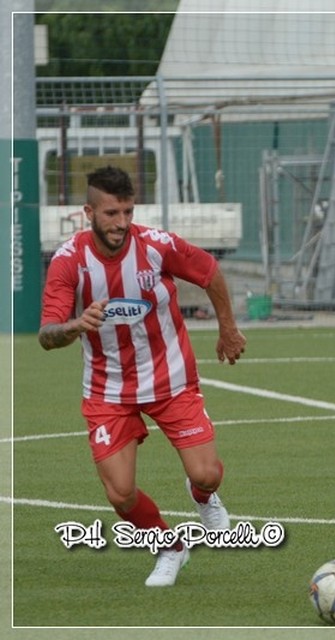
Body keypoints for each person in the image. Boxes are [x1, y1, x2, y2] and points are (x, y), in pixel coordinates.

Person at [38, 166, 247, 587]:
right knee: (120, 492)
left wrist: (228, 329)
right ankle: (170, 548)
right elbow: (47, 335)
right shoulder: (68, 261)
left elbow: (209, 271)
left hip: (171, 379)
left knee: (206, 474)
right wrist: (76, 325)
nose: (121, 223)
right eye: (111, 213)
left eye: (128, 212)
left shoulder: (156, 245)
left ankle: (202, 496)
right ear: (89, 213)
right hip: (108, 390)